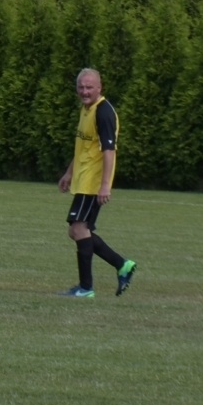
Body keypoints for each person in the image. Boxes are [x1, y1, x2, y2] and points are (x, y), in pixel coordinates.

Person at [57, 67, 137, 298]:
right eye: (81, 87)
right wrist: (69, 173)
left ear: (99, 88)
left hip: (93, 183)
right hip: (84, 181)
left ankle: (86, 288)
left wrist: (105, 186)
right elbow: (84, 147)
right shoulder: (86, 110)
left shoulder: (103, 112)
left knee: (78, 229)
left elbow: (109, 151)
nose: (85, 91)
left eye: (89, 87)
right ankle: (122, 265)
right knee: (78, 231)